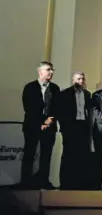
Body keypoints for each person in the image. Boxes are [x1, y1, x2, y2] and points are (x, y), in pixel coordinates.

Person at [21, 61, 60, 190]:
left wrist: (50, 121)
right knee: (29, 154)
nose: (51, 72)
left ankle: (44, 181)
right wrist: (41, 123)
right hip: (33, 126)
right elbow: (29, 107)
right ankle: (25, 181)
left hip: (50, 127)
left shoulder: (55, 88)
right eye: (48, 69)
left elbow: (57, 107)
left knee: (46, 155)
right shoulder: (30, 87)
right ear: (40, 71)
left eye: (52, 70)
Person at [57, 72, 92, 190]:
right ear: (73, 80)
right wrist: (65, 128)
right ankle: (65, 182)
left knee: (81, 155)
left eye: (82, 79)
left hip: (83, 126)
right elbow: (60, 112)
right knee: (68, 154)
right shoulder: (65, 93)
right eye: (78, 79)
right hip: (70, 128)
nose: (81, 81)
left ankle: (79, 182)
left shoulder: (87, 94)